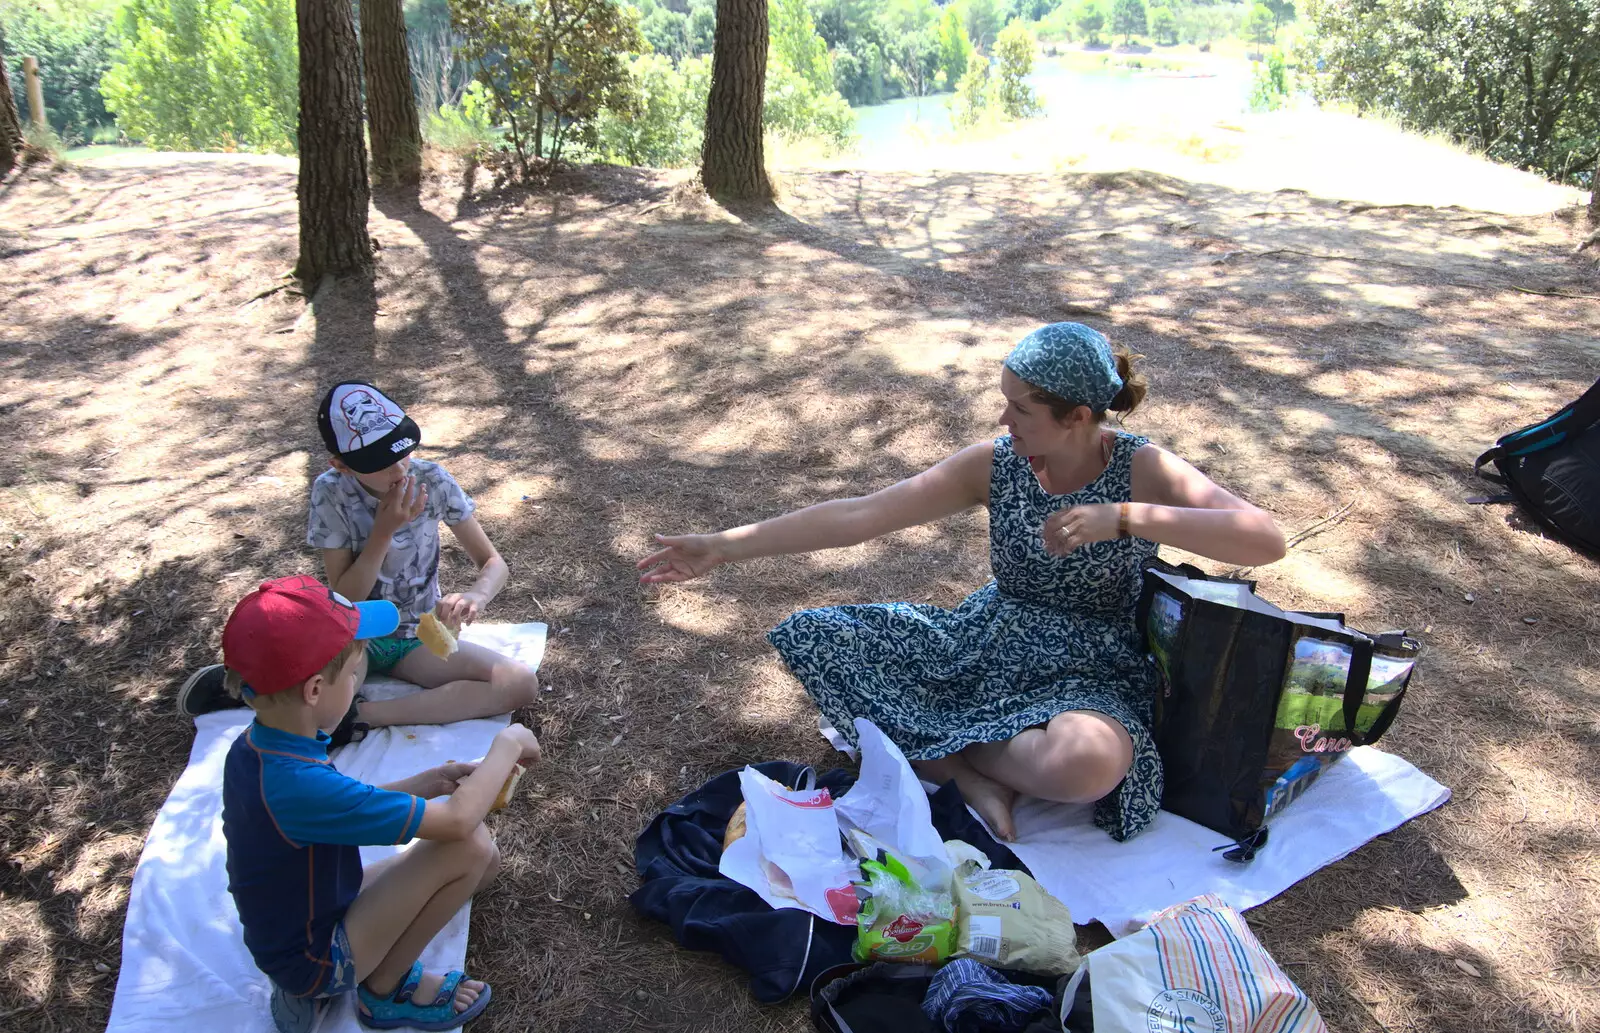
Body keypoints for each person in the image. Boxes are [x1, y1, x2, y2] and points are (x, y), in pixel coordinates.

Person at [637, 323, 1287, 842]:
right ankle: (967, 775)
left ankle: (938, 748)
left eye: (1022, 409)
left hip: (1092, 669)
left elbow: (1265, 537)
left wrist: (1124, 517)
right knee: (824, 635)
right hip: (985, 645)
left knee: (1086, 765)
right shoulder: (995, 464)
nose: (1005, 420)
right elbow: (862, 514)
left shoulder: (1141, 467)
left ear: (1079, 416)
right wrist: (722, 547)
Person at [218, 575, 541, 1032]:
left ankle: (320, 986)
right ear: (314, 691)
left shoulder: (263, 748)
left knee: (482, 865)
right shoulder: (297, 783)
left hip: (309, 916)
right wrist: (506, 743)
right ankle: (384, 990)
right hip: (316, 956)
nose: (357, 683)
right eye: (354, 674)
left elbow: (343, 807)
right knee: (468, 845)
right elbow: (456, 822)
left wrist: (430, 780)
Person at [178, 381, 540, 739]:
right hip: (353, 634)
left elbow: (493, 562)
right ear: (342, 465)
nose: (399, 472)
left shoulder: (433, 480)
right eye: (381, 465)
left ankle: (361, 716)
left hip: (418, 633)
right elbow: (346, 595)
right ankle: (253, 688)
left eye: (402, 455)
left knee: (518, 684)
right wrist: (383, 531)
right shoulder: (330, 492)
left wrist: (477, 596)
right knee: (308, 713)